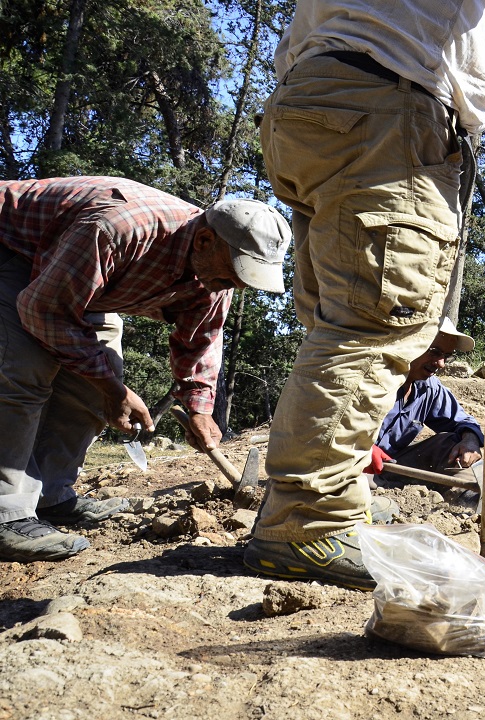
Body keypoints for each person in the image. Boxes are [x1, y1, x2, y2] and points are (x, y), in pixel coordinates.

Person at [247, 0, 485, 590]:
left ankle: (335, 500)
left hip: (306, 102)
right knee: (373, 325)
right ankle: (306, 524)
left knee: (336, 323)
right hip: (390, 105)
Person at [0, 176, 291, 562]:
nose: (229, 286)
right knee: (22, 371)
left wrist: (200, 409)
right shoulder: (118, 228)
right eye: (229, 274)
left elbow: (201, 340)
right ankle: (7, 514)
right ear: (204, 241)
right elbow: (44, 311)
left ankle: (51, 495)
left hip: (75, 279)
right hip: (14, 252)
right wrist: (115, 392)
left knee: (96, 380)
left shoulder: (216, 275)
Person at [362, 317, 485, 508]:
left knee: (452, 441)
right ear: (412, 342)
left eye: (447, 355)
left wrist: (469, 439)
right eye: (435, 352)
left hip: (389, 466)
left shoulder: (429, 388)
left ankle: (472, 496)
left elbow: (463, 421)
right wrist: (362, 448)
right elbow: (333, 423)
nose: (441, 363)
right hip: (347, 465)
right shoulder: (371, 377)